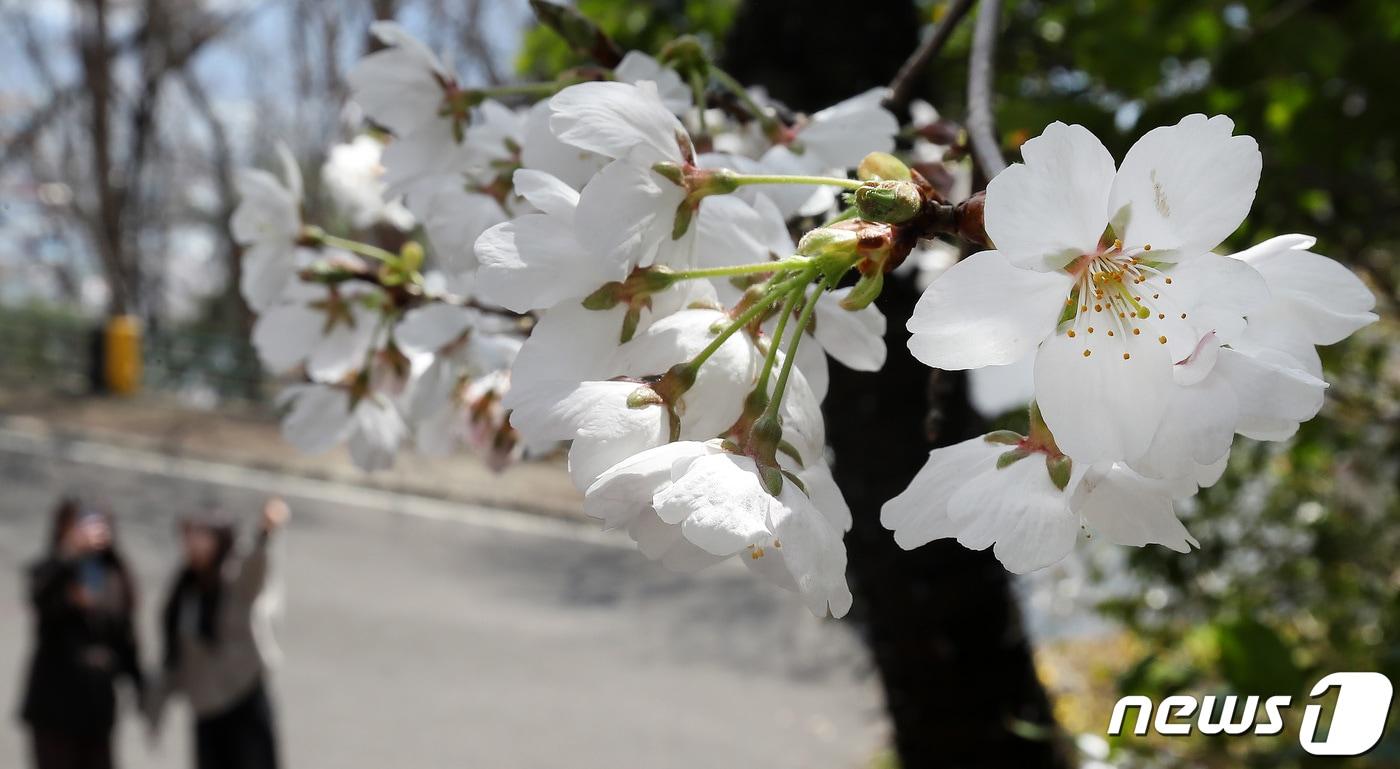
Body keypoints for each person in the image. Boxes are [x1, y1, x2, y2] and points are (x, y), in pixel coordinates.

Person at [148, 497, 289, 769]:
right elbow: (175, 654)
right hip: (206, 709)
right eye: (189, 534)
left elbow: (254, 565)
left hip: (244, 701)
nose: (192, 542)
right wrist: (155, 706)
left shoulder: (233, 578)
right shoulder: (184, 586)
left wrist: (265, 531)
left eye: (201, 535)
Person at [18, 498, 145, 769]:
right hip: (54, 707)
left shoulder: (115, 575)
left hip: (96, 709)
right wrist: (69, 554)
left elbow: (126, 639)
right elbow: (40, 596)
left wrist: (139, 686)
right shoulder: (53, 569)